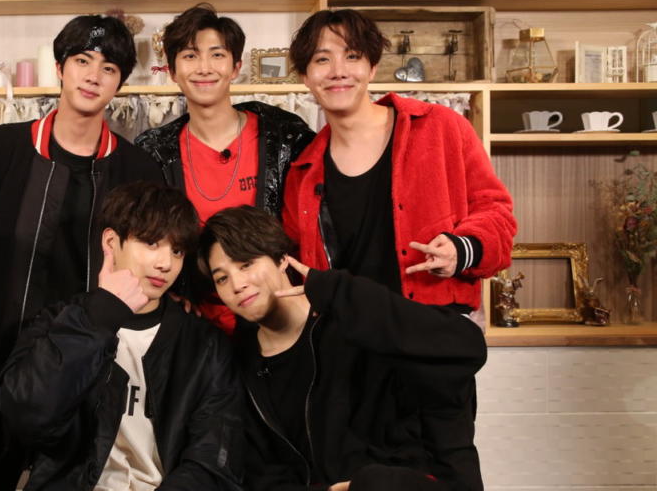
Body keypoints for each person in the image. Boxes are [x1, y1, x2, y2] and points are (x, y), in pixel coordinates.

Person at [283, 9, 517, 491]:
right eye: (321, 60)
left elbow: (498, 214)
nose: (338, 71)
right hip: (349, 364)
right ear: (305, 76)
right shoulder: (304, 172)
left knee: (446, 481)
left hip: (430, 347)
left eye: (351, 56)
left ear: (372, 65)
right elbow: (297, 269)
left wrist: (462, 248)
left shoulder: (441, 129)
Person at [199, 205, 487, 491]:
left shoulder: (354, 318)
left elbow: (466, 348)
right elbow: (261, 478)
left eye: (246, 264)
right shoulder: (240, 367)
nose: (237, 284)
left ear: (282, 258)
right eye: (222, 278)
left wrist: (339, 292)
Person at [0, 182, 244, 491]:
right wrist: (99, 318)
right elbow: (27, 419)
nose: (165, 264)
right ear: (111, 242)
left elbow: (214, 460)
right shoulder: (58, 322)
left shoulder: (205, 345)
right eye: (151, 242)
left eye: (177, 250)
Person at [0, 13, 163, 353]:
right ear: (60, 67)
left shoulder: (139, 170)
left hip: (91, 353)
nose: (92, 77)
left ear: (119, 84)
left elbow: (154, 261)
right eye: (82, 61)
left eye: (108, 68)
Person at [135, 3, 314, 333]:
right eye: (190, 56)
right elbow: (142, 238)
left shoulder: (285, 138)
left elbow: (316, 223)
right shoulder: (153, 152)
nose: (204, 68)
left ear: (236, 68)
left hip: (281, 318)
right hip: (194, 327)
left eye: (217, 55)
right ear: (172, 71)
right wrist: (166, 296)